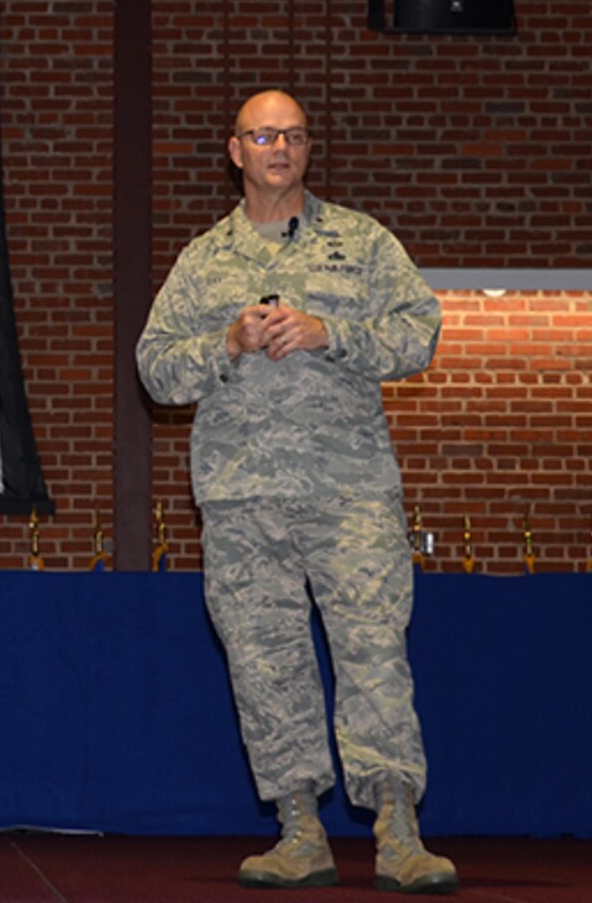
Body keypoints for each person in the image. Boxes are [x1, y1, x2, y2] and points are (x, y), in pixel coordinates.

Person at [135, 90, 458, 894]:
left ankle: (398, 834)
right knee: (264, 661)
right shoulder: (204, 261)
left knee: (374, 654)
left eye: (294, 135)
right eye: (262, 135)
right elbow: (154, 368)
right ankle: (299, 831)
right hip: (244, 502)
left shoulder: (363, 242)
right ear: (235, 151)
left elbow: (419, 330)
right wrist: (228, 342)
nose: (279, 147)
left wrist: (330, 333)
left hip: (349, 494)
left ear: (308, 150)